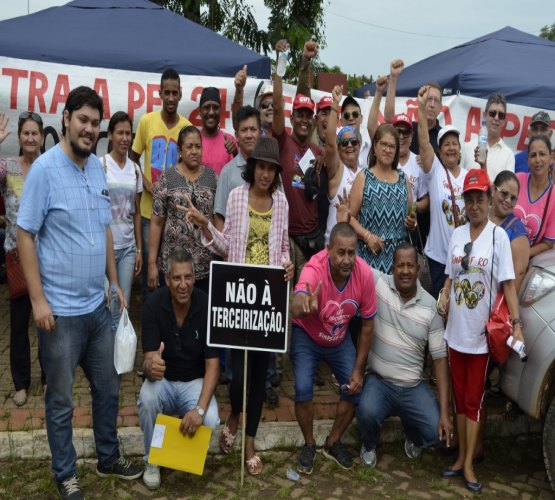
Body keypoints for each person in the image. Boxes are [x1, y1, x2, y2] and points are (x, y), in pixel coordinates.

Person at [17, 86, 142, 500]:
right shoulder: (44, 171)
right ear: (67, 118)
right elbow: (24, 234)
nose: (90, 129)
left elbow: (104, 226)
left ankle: (108, 457)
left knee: (108, 388)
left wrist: (113, 282)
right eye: (83, 120)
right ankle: (65, 472)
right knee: (62, 401)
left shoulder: (95, 169)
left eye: (95, 123)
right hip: (61, 316)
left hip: (97, 307)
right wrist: (38, 300)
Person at [183, 136, 293, 475]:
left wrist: (289, 265)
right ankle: (233, 413)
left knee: (260, 376)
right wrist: (205, 225)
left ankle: (249, 443)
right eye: (260, 167)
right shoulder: (236, 197)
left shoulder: (281, 203)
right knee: (237, 372)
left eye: (270, 169)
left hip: (268, 300)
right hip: (238, 296)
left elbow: (282, 246)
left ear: (276, 173)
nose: (265, 173)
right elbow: (226, 245)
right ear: (252, 168)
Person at [437, 169, 523, 493]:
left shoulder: (498, 236)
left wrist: (517, 325)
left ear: (489, 200)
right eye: (469, 199)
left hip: (480, 336)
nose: (474, 205)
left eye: (479, 199)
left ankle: (470, 463)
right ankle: (460, 457)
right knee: (460, 398)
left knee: (474, 399)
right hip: (455, 331)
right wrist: (444, 297)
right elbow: (449, 276)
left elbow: (509, 286)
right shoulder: (457, 234)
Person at [291, 222, 377, 473]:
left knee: (354, 389)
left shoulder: (364, 275)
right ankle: (309, 444)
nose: (347, 259)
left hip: (339, 341)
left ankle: (333, 442)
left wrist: (359, 370)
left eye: (352, 252)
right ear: (328, 250)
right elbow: (295, 306)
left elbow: (368, 327)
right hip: (306, 335)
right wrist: (305, 304)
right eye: (341, 252)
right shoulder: (313, 269)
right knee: (304, 387)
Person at [357, 243, 452, 467]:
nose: (405, 271)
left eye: (410, 265)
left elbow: (439, 360)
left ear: (418, 269)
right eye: (400, 265)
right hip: (379, 381)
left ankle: (413, 432)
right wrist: (344, 220)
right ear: (393, 268)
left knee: (434, 431)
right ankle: (369, 444)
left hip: (412, 386)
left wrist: (445, 413)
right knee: (367, 412)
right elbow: (354, 261)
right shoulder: (379, 284)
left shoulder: (431, 307)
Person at [138, 249, 220, 490]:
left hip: (194, 381)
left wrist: (200, 410)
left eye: (187, 277)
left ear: (195, 278)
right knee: (147, 399)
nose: (183, 284)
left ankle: (181, 456)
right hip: (163, 381)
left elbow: (213, 365)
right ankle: (152, 460)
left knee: (212, 419)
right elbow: (147, 360)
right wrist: (151, 366)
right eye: (177, 278)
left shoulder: (206, 304)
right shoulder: (153, 305)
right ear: (167, 279)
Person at [131, 68, 191, 299]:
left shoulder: (186, 127)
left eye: (175, 93)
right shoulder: (147, 121)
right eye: (166, 92)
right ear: (159, 93)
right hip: (148, 213)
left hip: (175, 215)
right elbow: (133, 158)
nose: (171, 98)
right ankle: (151, 329)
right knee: (151, 274)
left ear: (180, 94)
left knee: (174, 274)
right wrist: (145, 182)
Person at [0, 111, 46, 406]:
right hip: (16, 258)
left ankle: (49, 379)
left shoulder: (47, 168)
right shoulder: (8, 167)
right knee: (18, 324)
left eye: (35, 133)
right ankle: (20, 383)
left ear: (42, 137)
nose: (30, 138)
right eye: (25, 133)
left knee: (47, 323)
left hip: (46, 258)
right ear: (19, 137)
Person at [272, 46, 323, 279]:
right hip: (285, 236)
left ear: (313, 121)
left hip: (311, 237)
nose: (303, 119)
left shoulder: (317, 151)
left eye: (307, 115)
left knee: (308, 298)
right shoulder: (282, 141)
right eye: (299, 115)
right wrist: (280, 62)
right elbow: (277, 106)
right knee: (285, 299)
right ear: (291, 118)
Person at [148, 125, 217, 293]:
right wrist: (151, 263)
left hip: (204, 269)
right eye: (189, 147)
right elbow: (157, 222)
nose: (194, 151)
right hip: (173, 268)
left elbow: (218, 221)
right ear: (179, 150)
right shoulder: (167, 178)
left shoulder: (212, 178)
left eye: (198, 146)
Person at [417, 86, 468, 298]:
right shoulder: (435, 171)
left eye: (454, 144)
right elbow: (422, 141)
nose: (450, 148)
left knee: (461, 306)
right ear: (439, 150)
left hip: (463, 257)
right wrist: (421, 108)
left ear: (460, 149)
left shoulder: (468, 177)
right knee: (440, 311)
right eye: (446, 144)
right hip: (438, 259)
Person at [348, 123, 414, 274]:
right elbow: (349, 217)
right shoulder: (364, 177)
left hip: (399, 264)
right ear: (375, 147)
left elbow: (411, 217)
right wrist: (367, 236)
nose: (387, 149)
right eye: (383, 144)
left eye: (392, 146)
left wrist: (413, 223)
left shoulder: (404, 179)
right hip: (369, 259)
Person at [101, 111, 142, 332]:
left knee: (121, 303)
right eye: (120, 133)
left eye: (128, 133)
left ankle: (117, 363)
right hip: (105, 248)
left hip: (127, 248)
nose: (125, 138)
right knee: (107, 302)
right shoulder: (100, 166)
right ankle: (106, 358)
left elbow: (136, 212)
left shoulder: (135, 169)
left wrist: (139, 249)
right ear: (110, 134)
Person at [324, 85, 363, 244]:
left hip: (356, 249)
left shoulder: (364, 174)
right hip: (333, 247)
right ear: (339, 149)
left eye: (353, 142)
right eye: (344, 142)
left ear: (359, 145)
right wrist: (335, 105)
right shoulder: (338, 170)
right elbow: (330, 143)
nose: (349, 145)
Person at [514, 135, 555, 258]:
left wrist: (521, 256)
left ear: (551, 157)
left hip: (526, 265)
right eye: (533, 155)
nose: (537, 160)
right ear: (527, 160)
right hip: (500, 255)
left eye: (542, 154)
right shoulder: (517, 180)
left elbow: (548, 243)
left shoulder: (553, 196)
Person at [489, 171, 529, 291]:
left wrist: (501, 306)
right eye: (504, 194)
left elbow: (518, 275)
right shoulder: (480, 216)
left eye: (513, 198)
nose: (508, 200)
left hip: (496, 302)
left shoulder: (517, 232)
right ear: (493, 190)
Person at [461, 92, 515, 179]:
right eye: (492, 113)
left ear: (504, 121)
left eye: (500, 115)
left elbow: (506, 191)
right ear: (485, 115)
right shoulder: (468, 147)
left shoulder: (508, 155)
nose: (496, 118)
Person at [198, 86, 237, 175]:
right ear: (199, 111)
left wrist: (235, 154)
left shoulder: (230, 141)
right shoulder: (193, 140)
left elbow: (238, 174)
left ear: (221, 111)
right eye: (207, 107)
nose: (211, 112)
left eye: (215, 107)